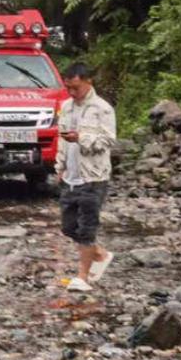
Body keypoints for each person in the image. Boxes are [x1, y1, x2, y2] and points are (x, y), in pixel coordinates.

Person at [56, 62, 116, 292]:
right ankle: (100, 255)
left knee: (87, 228)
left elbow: (109, 140)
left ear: (88, 81)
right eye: (68, 88)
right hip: (71, 176)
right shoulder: (66, 107)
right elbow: (61, 139)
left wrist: (81, 138)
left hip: (94, 176)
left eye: (76, 87)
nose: (72, 92)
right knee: (68, 226)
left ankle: (83, 277)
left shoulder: (103, 109)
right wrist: (59, 165)